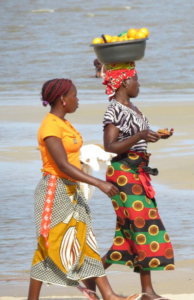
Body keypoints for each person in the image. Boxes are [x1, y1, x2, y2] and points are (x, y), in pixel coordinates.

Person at [27, 78, 140, 300]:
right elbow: (62, 165)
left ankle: (108, 296)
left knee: (86, 240)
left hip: (72, 189)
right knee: (48, 245)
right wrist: (98, 182)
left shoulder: (65, 123)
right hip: (55, 190)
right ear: (62, 99)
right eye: (74, 95)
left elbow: (72, 156)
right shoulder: (50, 125)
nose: (77, 100)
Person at [88, 62, 174, 300]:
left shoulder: (134, 108)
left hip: (138, 173)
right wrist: (139, 135)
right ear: (125, 82)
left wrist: (153, 136)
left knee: (131, 234)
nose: (139, 83)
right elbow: (110, 146)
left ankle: (91, 279)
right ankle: (146, 291)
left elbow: (137, 139)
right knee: (142, 227)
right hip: (123, 174)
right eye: (136, 79)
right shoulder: (113, 109)